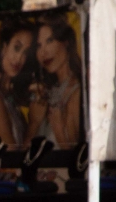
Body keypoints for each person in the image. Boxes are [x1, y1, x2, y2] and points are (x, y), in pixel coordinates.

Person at [0, 16, 36, 150]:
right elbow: (9, 158)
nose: (19, 58)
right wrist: (35, 124)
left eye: (26, 53)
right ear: (4, 47)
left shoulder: (10, 96)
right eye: (16, 48)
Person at [27, 15, 83, 149]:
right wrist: (34, 123)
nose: (43, 52)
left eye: (49, 41)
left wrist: (59, 129)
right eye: (39, 46)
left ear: (66, 42)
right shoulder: (45, 92)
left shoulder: (76, 93)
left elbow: (77, 156)